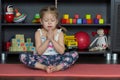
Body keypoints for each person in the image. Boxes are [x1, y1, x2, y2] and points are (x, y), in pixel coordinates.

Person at [19, 6, 79, 73]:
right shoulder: (38, 33)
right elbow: (39, 52)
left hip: (57, 58)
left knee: (74, 54)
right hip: (42, 59)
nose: (49, 23)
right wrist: (48, 39)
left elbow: (61, 51)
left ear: (56, 21)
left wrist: (52, 40)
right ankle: (44, 67)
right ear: (41, 21)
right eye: (46, 20)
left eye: (52, 20)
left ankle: (57, 68)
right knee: (23, 55)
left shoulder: (60, 33)